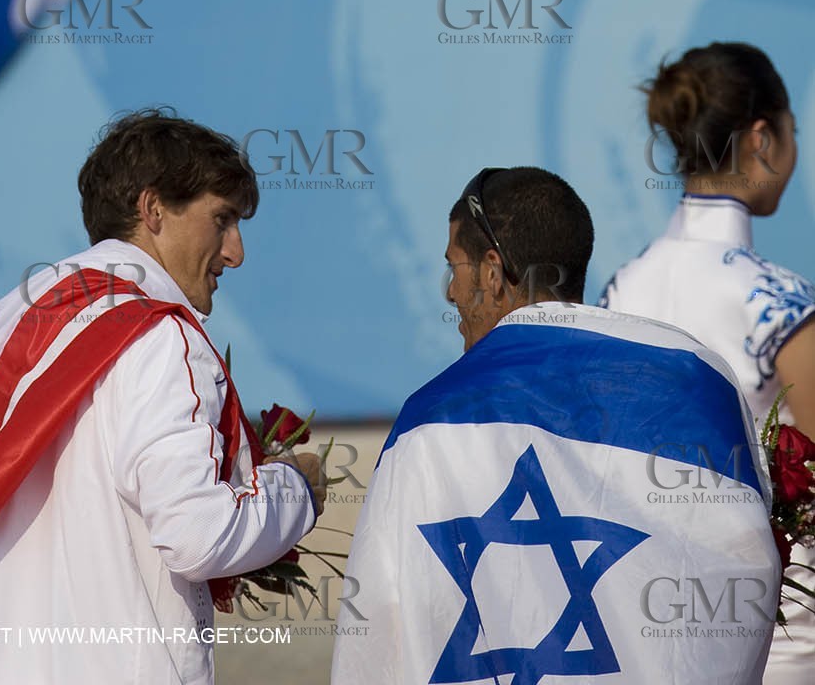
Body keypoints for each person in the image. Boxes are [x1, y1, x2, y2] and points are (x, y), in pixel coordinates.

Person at [0, 109, 324, 685]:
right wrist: (296, 488)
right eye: (222, 219)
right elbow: (198, 535)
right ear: (153, 210)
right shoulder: (161, 337)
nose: (235, 252)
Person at [332, 166, 778, 685]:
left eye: (453, 267)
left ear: (493, 272)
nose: (450, 293)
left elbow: (384, 623)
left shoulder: (429, 421)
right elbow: (745, 572)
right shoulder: (696, 378)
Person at [600, 43, 815, 681]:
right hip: (775, 623)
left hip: (637, 608)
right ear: (762, 139)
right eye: (792, 131)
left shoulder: (619, 291)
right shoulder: (780, 300)